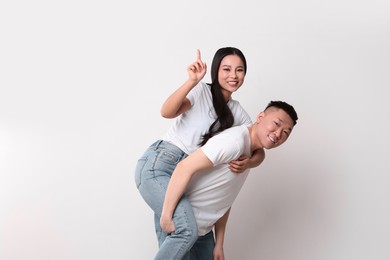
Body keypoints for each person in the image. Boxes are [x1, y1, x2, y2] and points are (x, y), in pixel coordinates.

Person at [135, 47, 264, 260]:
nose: (233, 75)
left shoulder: (238, 113)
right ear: (216, 70)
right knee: (185, 230)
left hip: (186, 180)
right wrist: (191, 82)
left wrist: (249, 162)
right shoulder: (201, 91)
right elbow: (166, 112)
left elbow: (258, 146)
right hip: (160, 164)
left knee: (192, 239)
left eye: (239, 70)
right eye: (227, 69)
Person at [160, 100, 298, 260]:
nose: (278, 133)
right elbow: (184, 167)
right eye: (276, 124)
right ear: (260, 117)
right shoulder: (233, 142)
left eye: (286, 132)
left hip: (203, 232)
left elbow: (225, 200)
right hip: (183, 225)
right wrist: (166, 216)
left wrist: (219, 243)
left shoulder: (249, 154)